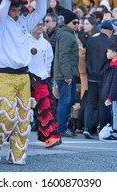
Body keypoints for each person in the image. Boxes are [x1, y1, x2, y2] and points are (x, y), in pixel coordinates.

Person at [0, 0, 47, 165]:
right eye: (13, 10)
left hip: (23, 75)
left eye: (18, 10)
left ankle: (17, 153)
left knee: (23, 117)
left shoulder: (23, 22)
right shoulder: (0, 22)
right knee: (8, 114)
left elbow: (41, 12)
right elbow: (3, 7)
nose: (16, 13)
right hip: (5, 75)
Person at [28, 20, 61, 148]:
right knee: (19, 109)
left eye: (42, 23)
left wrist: (47, 78)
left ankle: (50, 136)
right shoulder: (23, 40)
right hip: (25, 78)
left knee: (45, 108)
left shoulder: (46, 44)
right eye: (38, 23)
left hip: (41, 80)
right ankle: (11, 134)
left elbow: (48, 63)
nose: (41, 26)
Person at [84, 21, 114, 138]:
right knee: (102, 103)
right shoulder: (110, 43)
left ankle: (87, 127)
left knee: (90, 102)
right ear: (110, 31)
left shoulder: (91, 40)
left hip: (91, 75)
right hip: (104, 77)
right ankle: (101, 128)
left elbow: (86, 57)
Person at [53, 9, 80, 138]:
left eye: (78, 22)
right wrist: (67, 75)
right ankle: (61, 128)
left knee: (68, 100)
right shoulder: (66, 35)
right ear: (68, 23)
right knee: (65, 101)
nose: (77, 25)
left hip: (67, 74)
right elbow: (63, 56)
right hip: (65, 75)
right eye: (75, 22)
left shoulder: (68, 33)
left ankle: (62, 126)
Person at [101, 42, 117, 142]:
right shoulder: (113, 65)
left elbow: (115, 84)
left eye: (109, 51)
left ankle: (115, 133)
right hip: (111, 94)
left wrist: (110, 97)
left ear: (115, 53)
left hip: (114, 95)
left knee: (115, 113)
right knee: (113, 112)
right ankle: (115, 130)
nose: (106, 53)